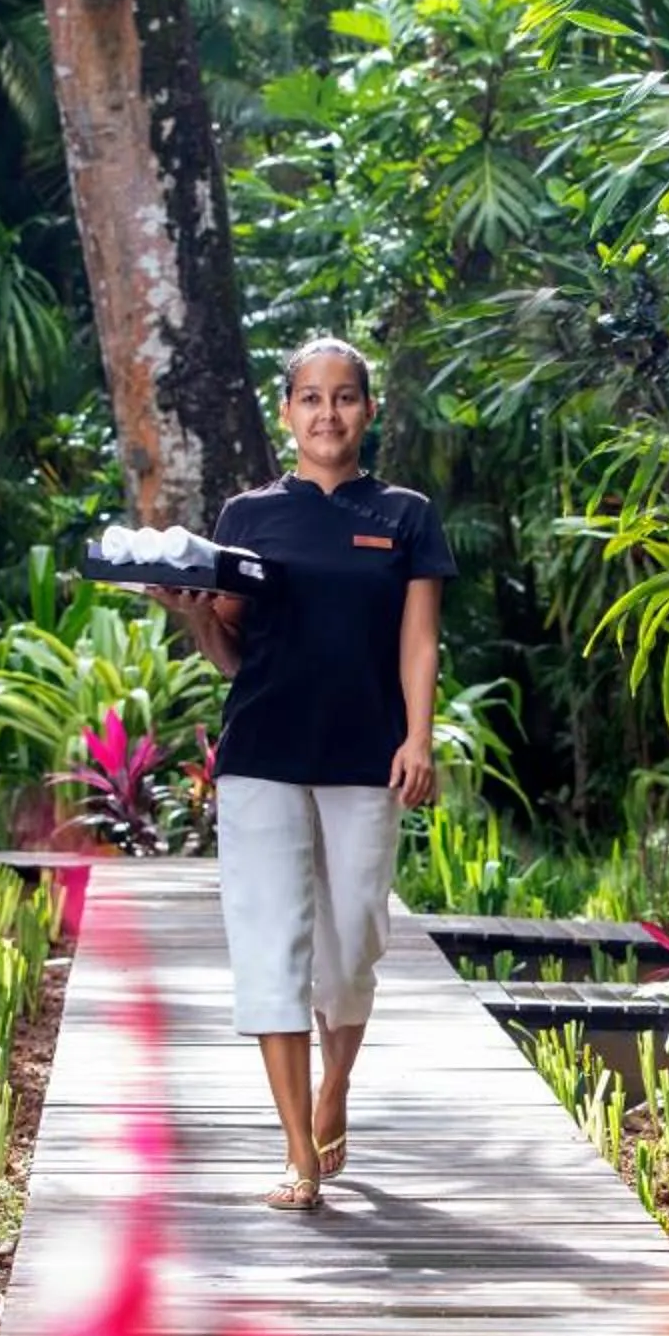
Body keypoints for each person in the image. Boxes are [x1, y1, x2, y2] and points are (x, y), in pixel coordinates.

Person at [160, 338, 454, 1213]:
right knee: (269, 944)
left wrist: (418, 737)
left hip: (367, 758)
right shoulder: (248, 517)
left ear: (368, 410)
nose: (328, 414)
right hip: (261, 755)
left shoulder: (405, 515)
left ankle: (337, 1087)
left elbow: (419, 638)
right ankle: (298, 1150)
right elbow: (229, 652)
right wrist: (191, 619)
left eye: (346, 397)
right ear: (286, 410)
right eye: (311, 398)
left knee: (353, 939)